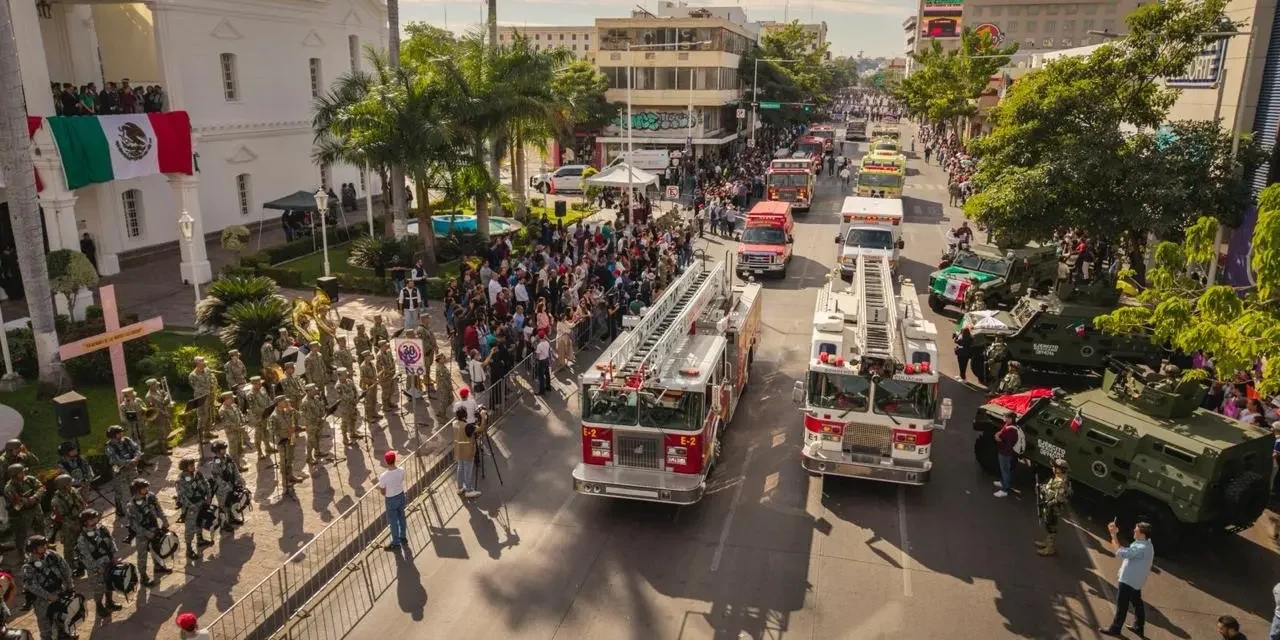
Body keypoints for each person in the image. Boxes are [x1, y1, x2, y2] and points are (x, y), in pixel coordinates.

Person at [1099, 520, 1154, 637]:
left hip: (1128, 580)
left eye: (1136, 530)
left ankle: (1115, 628)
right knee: (1137, 603)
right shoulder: (1147, 544)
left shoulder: (1140, 547)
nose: (1134, 530)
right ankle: (1139, 627)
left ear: (1142, 534)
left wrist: (1113, 534)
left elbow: (1120, 552)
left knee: (1122, 605)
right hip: (1136, 580)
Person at [21, 535, 73, 640]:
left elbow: (65, 568)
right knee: (46, 629)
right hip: (43, 602)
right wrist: (48, 596)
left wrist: (69, 584)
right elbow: (31, 585)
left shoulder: (52, 555)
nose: (45, 547)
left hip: (59, 593)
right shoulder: (28, 566)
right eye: (41, 546)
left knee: (63, 618)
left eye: (45, 544)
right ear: (33, 549)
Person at [77, 509, 123, 619]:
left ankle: (109, 602)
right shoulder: (82, 539)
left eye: (95, 517)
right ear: (85, 522)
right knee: (98, 588)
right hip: (96, 568)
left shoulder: (102, 529)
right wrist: (97, 568)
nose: (95, 520)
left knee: (109, 583)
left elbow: (111, 541)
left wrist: (115, 556)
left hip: (108, 562)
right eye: (91, 519)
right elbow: (86, 557)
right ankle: (99, 606)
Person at [125, 478, 171, 587]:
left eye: (147, 487)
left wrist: (164, 520)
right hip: (142, 534)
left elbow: (158, 509)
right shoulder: (131, 506)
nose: (147, 489)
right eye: (144, 488)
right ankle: (143, 577)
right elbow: (134, 525)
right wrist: (147, 533)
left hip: (154, 527)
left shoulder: (150, 496)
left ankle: (158, 566)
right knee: (142, 556)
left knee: (157, 548)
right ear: (137, 490)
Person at [4, 464, 44, 567]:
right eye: (20, 472)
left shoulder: (29, 479)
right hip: (20, 513)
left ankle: (43, 546)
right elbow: (17, 502)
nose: (23, 473)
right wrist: (29, 500)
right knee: (21, 535)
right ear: (14, 475)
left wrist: (34, 497)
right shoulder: (9, 488)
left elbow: (41, 488)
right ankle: (22, 555)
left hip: (35, 509)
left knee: (40, 527)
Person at [47, 474, 86, 576]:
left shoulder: (73, 491)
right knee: (69, 547)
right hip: (67, 526)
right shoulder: (56, 501)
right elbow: (60, 517)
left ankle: (82, 563)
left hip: (78, 520)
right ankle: (70, 568)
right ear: (63, 486)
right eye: (69, 483)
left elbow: (81, 503)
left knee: (82, 542)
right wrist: (72, 525)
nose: (71, 484)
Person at [175, 458, 214, 559]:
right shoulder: (180, 480)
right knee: (190, 529)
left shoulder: (197, 474)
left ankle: (200, 540)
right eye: (190, 465)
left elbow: (206, 484)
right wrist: (193, 506)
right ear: (185, 467)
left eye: (193, 464)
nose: (193, 466)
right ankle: (189, 550)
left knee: (200, 522)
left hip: (201, 502)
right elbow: (182, 497)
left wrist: (209, 496)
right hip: (190, 508)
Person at [1035, 458, 1071, 557]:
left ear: (1060, 469)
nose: (1053, 468)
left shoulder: (1062, 482)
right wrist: (1043, 488)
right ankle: (1047, 542)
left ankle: (1049, 548)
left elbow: (1059, 498)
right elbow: (1051, 488)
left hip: (1053, 508)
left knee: (1051, 527)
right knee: (1048, 524)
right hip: (1049, 506)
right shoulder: (1058, 478)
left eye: (1055, 467)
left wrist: (1048, 504)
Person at [207, 440, 244, 531]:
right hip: (221, 489)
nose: (225, 450)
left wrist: (239, 478)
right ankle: (224, 524)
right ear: (217, 451)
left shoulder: (227, 457)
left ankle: (231, 519)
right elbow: (217, 479)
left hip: (231, 484)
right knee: (223, 506)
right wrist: (227, 487)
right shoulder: (215, 463)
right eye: (222, 449)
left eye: (224, 448)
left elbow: (234, 467)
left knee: (230, 504)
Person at [378, 451, 407, 551]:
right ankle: (403, 536)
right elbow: (401, 480)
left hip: (390, 499)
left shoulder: (383, 476)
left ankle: (396, 542)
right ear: (394, 460)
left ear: (386, 461)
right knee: (402, 517)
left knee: (393, 522)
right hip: (401, 495)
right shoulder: (401, 470)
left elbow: (382, 491)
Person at [216, 391, 249, 472]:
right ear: (226, 399)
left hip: (238, 431)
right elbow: (227, 424)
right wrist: (239, 427)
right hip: (232, 433)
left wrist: (244, 421)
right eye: (231, 398)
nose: (233, 399)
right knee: (233, 451)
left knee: (239, 448)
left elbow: (240, 413)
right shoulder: (222, 411)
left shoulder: (234, 405)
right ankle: (235, 468)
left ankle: (237, 464)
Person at [453, 407, 481, 499]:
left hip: (458, 450)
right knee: (467, 471)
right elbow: (479, 429)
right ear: (465, 415)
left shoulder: (454, 423)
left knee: (460, 468)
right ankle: (468, 490)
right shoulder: (468, 426)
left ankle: (460, 488)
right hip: (468, 452)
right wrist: (483, 417)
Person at [245, 376, 274, 461]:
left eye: (260, 383)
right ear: (252, 384)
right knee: (258, 435)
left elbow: (268, 399)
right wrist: (265, 410)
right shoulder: (250, 395)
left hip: (266, 414)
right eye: (257, 384)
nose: (259, 385)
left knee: (266, 431)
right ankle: (259, 452)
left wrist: (271, 408)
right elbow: (254, 408)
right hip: (257, 417)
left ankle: (268, 447)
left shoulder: (263, 389)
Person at [299, 384, 328, 467]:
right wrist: (319, 419)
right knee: (311, 441)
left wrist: (323, 414)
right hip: (311, 424)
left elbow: (321, 407)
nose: (316, 390)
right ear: (308, 392)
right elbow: (309, 416)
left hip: (318, 422)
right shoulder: (306, 402)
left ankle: (317, 452)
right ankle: (309, 457)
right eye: (313, 389)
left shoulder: (315, 398)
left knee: (317, 437)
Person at [143, 378, 174, 454]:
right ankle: (163, 450)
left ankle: (166, 444)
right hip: (158, 416)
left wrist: (166, 398)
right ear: (151, 386)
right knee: (161, 433)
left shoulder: (157, 390)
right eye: (155, 385)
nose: (157, 385)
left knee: (167, 429)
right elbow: (155, 409)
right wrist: (165, 414)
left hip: (163, 412)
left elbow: (165, 393)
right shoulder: (149, 396)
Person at [992, 412, 1019, 498]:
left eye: (1006, 417)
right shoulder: (1008, 426)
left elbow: (1006, 443)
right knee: (1004, 469)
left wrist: (998, 438)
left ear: (1011, 419)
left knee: (1005, 470)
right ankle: (1003, 482)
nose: (1004, 418)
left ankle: (1005, 490)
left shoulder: (1011, 430)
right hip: (1004, 452)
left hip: (1005, 453)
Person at [334, 367, 361, 448]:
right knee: (345, 423)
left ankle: (352, 433)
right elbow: (343, 396)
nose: (347, 375)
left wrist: (356, 398)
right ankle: (345, 438)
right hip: (345, 407)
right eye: (345, 374)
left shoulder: (349, 381)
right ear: (340, 376)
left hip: (352, 405)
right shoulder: (338, 386)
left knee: (353, 419)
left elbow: (354, 390)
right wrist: (352, 400)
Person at [376, 340, 399, 412]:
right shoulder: (379, 355)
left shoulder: (388, 352)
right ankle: (385, 406)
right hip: (385, 376)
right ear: (381, 346)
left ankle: (389, 402)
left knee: (391, 390)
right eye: (385, 345)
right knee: (385, 391)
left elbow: (392, 361)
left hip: (391, 375)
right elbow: (381, 368)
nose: (387, 346)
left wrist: (393, 371)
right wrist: (388, 372)